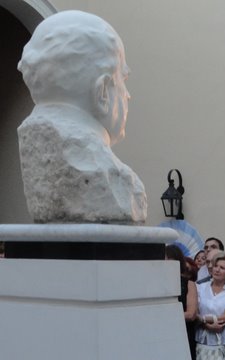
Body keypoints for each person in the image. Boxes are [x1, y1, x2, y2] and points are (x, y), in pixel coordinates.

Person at [17, 10, 146, 224]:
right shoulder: (116, 180)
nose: (128, 95)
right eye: (123, 79)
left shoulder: (37, 137)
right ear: (103, 91)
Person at [196, 252, 225, 360]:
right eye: (215, 266)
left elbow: (224, 318)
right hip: (201, 339)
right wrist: (205, 324)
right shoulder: (200, 287)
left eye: (222, 268)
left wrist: (201, 319)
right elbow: (194, 313)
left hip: (223, 342)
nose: (217, 270)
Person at [165, 245, 198, 360]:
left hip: (183, 333)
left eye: (169, 258)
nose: (166, 262)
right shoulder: (156, 285)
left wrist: (165, 316)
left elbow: (191, 314)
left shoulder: (188, 283)